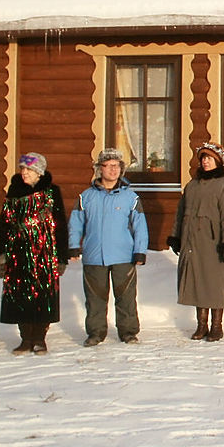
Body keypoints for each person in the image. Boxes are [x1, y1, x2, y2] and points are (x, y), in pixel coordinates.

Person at [68, 148, 149, 346]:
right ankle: (95, 333)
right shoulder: (86, 197)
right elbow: (76, 223)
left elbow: (140, 226)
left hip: (123, 255)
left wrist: (140, 250)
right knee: (95, 299)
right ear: (100, 169)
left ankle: (128, 332)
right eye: (109, 166)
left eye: (117, 166)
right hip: (94, 255)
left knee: (126, 297)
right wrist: (73, 246)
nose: (113, 170)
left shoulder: (131, 198)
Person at [0, 153, 69, 355]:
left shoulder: (52, 192)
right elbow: (4, 225)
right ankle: (25, 339)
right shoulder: (14, 191)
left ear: (39, 172)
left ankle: (40, 339)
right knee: (20, 296)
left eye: (29, 169)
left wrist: (61, 257)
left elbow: (60, 225)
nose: (24, 173)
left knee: (43, 297)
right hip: (18, 253)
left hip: (45, 254)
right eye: (22, 169)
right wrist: (0, 254)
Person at [168, 142, 224, 342]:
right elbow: (181, 213)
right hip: (193, 241)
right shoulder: (192, 185)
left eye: (209, 158)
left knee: (214, 282)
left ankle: (217, 326)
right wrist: (176, 236)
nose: (206, 162)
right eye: (203, 158)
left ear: (218, 161)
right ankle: (201, 325)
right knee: (197, 280)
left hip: (213, 241)